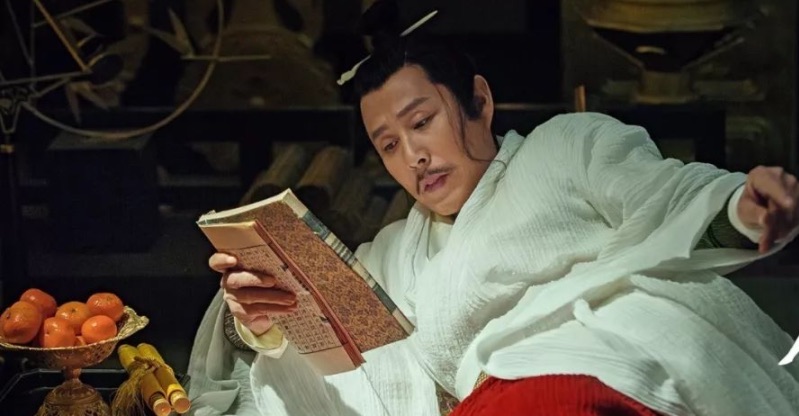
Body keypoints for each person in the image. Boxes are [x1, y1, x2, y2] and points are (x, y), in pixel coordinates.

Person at [186, 7, 799, 416]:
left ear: (478, 101)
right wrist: (260, 320)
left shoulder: (565, 147)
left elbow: (666, 195)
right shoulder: (393, 254)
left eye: (422, 121)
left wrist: (742, 206)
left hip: (603, 366)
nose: (414, 156)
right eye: (389, 145)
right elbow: (343, 356)